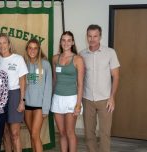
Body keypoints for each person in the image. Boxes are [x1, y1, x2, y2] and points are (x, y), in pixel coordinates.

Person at [80, 24, 120, 152]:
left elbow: (116, 76)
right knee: (89, 134)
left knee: (105, 134)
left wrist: (112, 97)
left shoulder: (110, 53)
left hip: (105, 100)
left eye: (95, 36)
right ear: (87, 37)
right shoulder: (81, 54)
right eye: (90, 36)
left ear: (100, 37)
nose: (92, 39)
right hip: (87, 100)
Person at [51, 31, 84, 152]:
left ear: (73, 42)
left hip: (72, 98)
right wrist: (50, 98)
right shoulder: (55, 58)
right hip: (57, 99)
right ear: (60, 42)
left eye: (69, 40)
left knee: (70, 132)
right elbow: (54, 80)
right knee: (62, 133)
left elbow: (80, 84)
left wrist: (78, 104)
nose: (66, 43)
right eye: (63, 40)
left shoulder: (78, 59)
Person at [0, 33, 28, 152]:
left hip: (15, 95)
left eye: (4, 42)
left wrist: (22, 101)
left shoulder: (18, 59)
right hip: (0, 97)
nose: (2, 45)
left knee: (15, 133)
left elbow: (23, 80)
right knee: (5, 133)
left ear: (9, 44)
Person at [23, 39, 52, 152]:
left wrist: (45, 109)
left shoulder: (45, 64)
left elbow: (48, 88)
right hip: (27, 106)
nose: (32, 50)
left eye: (35, 48)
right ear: (27, 49)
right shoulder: (23, 64)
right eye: (30, 48)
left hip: (39, 106)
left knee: (35, 135)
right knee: (32, 135)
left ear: (39, 50)